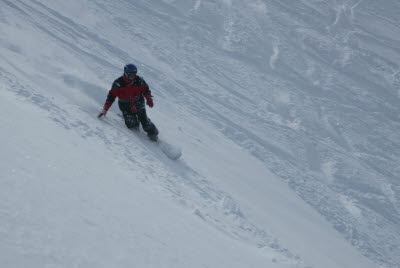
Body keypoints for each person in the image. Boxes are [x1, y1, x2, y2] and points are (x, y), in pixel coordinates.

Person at [98, 64, 159, 141]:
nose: (133, 76)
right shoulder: (118, 83)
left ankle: (154, 135)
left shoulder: (139, 81)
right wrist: (105, 109)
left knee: (145, 122)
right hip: (125, 106)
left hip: (139, 104)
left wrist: (149, 99)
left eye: (135, 74)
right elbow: (111, 97)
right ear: (126, 73)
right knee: (131, 123)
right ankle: (137, 133)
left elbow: (146, 89)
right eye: (131, 75)